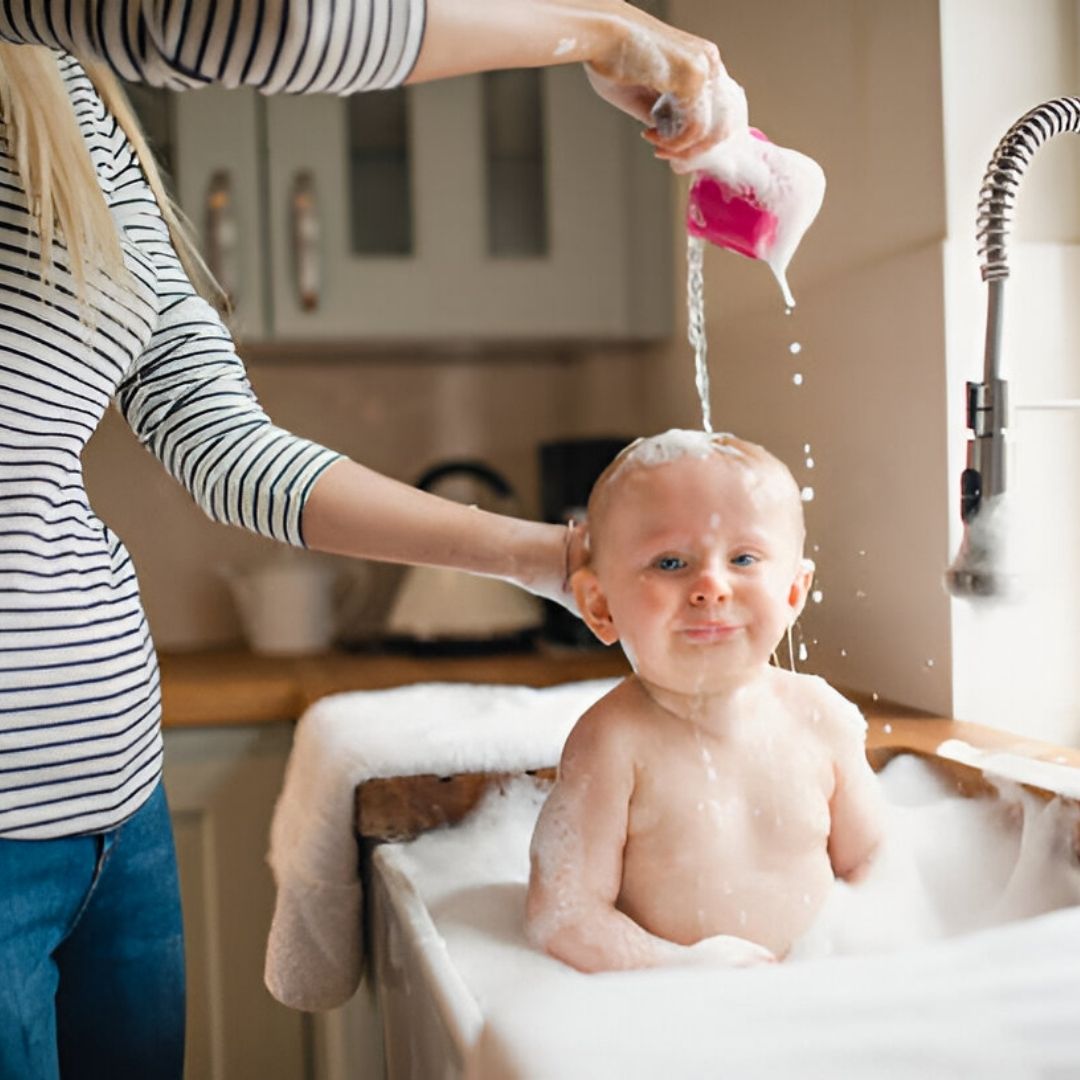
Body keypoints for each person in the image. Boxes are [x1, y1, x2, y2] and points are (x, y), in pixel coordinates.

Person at [0, 3, 745, 1077]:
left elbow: (222, 443)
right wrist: (603, 28)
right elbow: (276, 27)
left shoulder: (69, 104)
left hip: (116, 802)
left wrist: (548, 557)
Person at [525, 429, 886, 972]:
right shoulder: (614, 740)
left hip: (816, 994)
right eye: (670, 563)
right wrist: (682, 970)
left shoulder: (820, 717)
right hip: (678, 1012)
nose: (712, 586)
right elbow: (566, 915)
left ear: (793, 591)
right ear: (599, 605)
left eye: (743, 558)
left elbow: (876, 869)